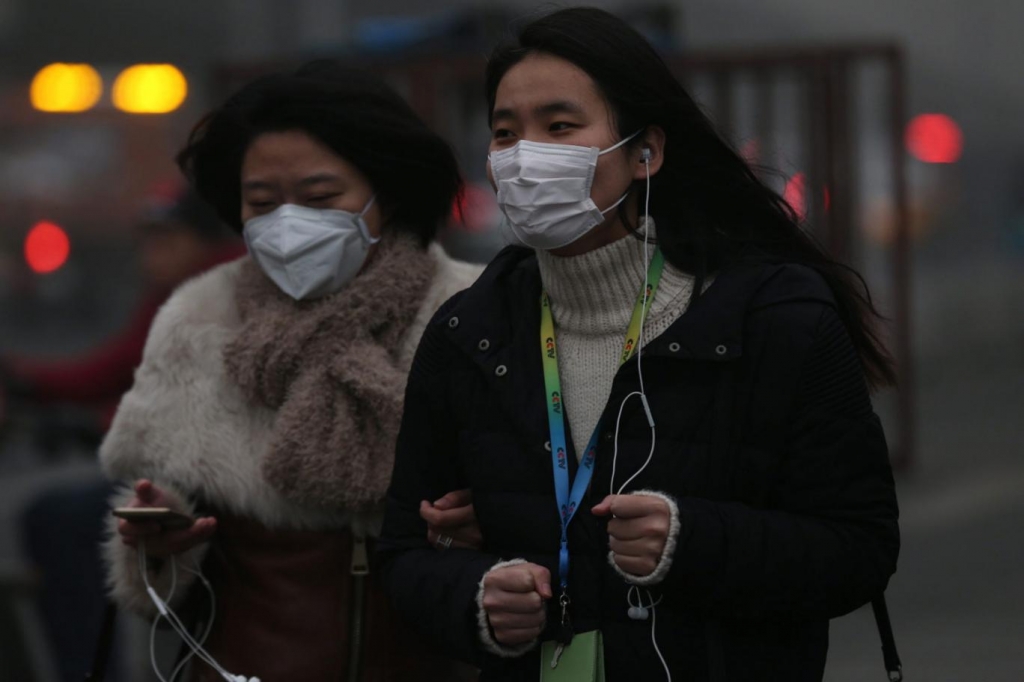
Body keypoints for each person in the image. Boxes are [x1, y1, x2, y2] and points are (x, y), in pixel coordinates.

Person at [378, 8, 900, 682]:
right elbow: (403, 554)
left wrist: (694, 540)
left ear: (645, 151)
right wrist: (475, 598)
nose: (524, 156)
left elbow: (859, 547)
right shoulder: (465, 335)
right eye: (505, 133)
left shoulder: (771, 318)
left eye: (559, 127)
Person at [101, 61, 482, 682]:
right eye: (262, 203)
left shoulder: (471, 316)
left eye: (320, 198)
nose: (288, 224)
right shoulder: (200, 322)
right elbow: (164, 598)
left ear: (386, 194)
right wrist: (164, 545)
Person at [6, 187, 242, 682]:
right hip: (177, 464)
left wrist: (94, 424)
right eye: (146, 243)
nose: (149, 256)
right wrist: (23, 380)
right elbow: (115, 368)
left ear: (202, 241)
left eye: (164, 242)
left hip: (218, 479)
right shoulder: (171, 294)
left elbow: (193, 395)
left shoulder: (222, 294)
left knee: (62, 521)